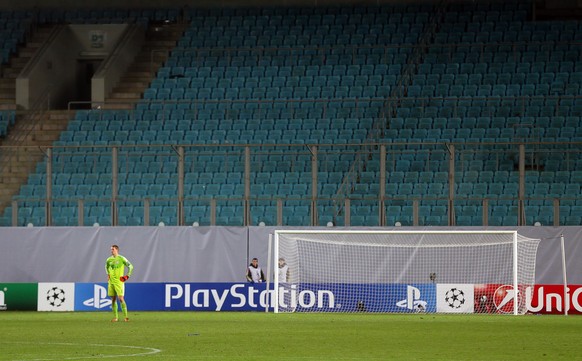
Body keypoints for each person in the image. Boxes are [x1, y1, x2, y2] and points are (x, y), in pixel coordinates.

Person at [105, 244, 134, 322]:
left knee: (121, 299)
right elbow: (106, 267)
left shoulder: (122, 258)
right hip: (111, 282)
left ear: (117, 250)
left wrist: (127, 276)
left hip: (119, 282)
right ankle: (116, 317)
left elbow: (131, 266)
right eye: (111, 249)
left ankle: (126, 316)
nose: (111, 251)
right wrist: (108, 274)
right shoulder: (108, 260)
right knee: (113, 299)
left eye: (113, 249)